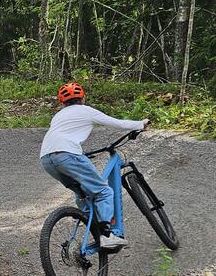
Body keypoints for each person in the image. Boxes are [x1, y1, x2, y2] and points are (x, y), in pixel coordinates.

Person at [39, 82, 149, 250]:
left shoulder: (58, 116)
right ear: (83, 98)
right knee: (104, 191)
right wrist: (140, 124)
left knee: (82, 192)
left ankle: (92, 224)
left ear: (62, 103)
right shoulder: (86, 110)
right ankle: (106, 235)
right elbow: (117, 123)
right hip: (67, 154)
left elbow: (63, 135)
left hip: (47, 158)